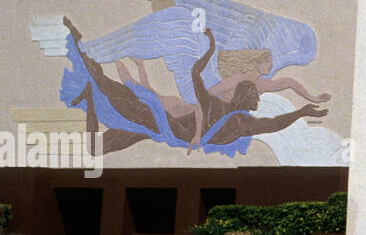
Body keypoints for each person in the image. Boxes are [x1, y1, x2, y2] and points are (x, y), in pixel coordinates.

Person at [62, 18, 327, 156]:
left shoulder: (241, 121)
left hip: (166, 128)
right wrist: (198, 134)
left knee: (99, 145)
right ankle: (82, 50)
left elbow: (275, 118)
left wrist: (305, 107)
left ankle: (90, 93)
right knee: (115, 89)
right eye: (268, 60)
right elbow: (201, 94)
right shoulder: (228, 95)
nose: (257, 100)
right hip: (168, 120)